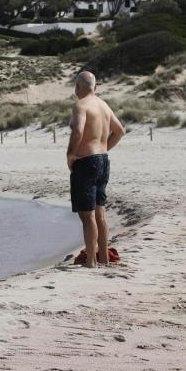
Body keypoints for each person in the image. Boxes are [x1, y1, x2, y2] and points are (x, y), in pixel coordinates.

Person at [67, 71, 125, 268]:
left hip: (86, 162)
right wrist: (103, 149)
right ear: (95, 87)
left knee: (87, 215)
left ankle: (91, 261)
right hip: (103, 160)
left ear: (78, 88)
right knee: (100, 212)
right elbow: (120, 131)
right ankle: (104, 258)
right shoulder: (104, 105)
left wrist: (71, 154)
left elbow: (78, 130)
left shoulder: (80, 105)